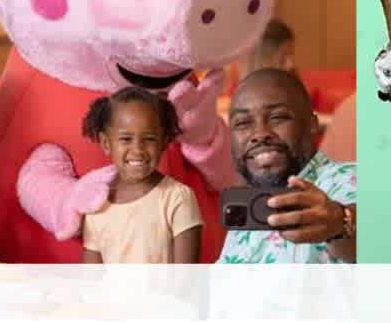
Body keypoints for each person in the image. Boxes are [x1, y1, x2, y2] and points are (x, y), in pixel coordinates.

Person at [219, 69, 356, 264]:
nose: (259, 133)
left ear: (311, 124)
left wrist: (340, 222)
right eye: (242, 122)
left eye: (277, 117)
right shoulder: (247, 209)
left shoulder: (348, 180)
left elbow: (378, 239)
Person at [81, 87, 203, 264]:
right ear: (106, 143)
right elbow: (91, 281)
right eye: (125, 139)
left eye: (149, 139)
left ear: (164, 141)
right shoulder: (96, 205)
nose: (138, 149)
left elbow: (186, 279)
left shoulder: (178, 197)